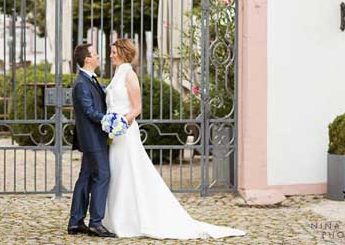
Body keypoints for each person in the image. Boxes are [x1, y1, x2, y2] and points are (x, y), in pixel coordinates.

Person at [101, 38, 247, 240]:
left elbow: (137, 108)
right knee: (117, 171)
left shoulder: (129, 74)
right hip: (115, 134)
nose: (111, 55)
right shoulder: (117, 73)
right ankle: (116, 217)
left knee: (129, 171)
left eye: (113, 51)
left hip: (125, 132)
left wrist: (120, 123)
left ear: (123, 52)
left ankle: (132, 219)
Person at [67, 44, 116, 238]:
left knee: (86, 178)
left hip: (93, 137)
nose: (98, 56)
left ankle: (76, 221)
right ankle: (96, 223)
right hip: (92, 138)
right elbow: (88, 111)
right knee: (103, 175)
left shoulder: (91, 80)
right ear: (87, 59)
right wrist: (108, 120)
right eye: (95, 54)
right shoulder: (81, 83)